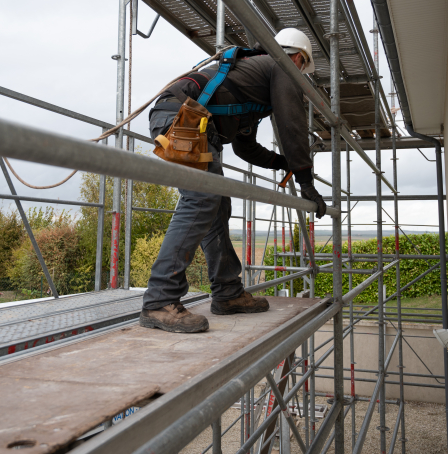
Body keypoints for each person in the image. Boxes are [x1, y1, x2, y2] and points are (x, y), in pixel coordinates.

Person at [139, 28, 328, 333]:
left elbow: (245, 147)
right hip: (183, 118)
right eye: (302, 67)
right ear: (297, 58)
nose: (299, 73)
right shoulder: (280, 66)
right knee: (201, 200)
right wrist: (306, 180)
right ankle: (160, 300)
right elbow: (292, 124)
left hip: (189, 120)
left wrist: (282, 163)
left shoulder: (250, 79)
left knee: (216, 205)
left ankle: (227, 293)